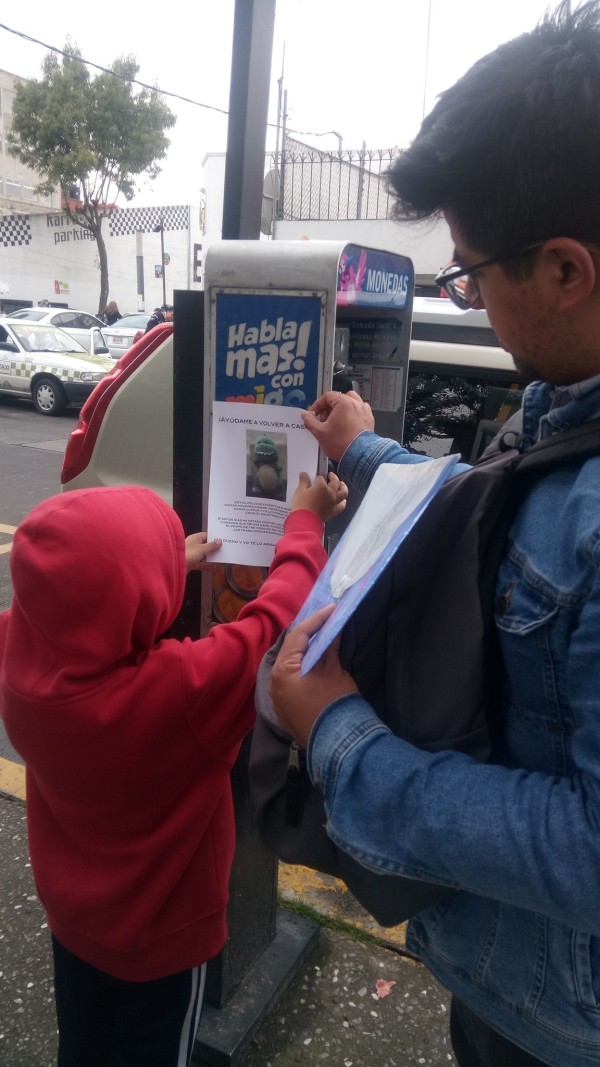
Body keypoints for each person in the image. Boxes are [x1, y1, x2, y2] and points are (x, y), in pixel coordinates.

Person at [268, 3, 600, 1066]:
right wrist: (367, 451)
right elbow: (501, 502)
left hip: (553, 1021)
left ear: (566, 270)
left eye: (468, 273)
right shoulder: (571, 402)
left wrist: (339, 734)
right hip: (511, 976)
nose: (469, 297)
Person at [0, 472, 347, 1067]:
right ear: (134, 598)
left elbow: (69, 598)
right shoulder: (180, 693)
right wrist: (305, 522)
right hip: (161, 940)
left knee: (82, 1045)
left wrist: (159, 566)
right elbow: (270, 623)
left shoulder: (17, 654)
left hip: (74, 919)